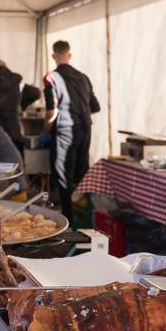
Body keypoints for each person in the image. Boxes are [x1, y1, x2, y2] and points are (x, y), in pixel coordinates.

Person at [44, 40, 101, 221]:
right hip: (85, 128)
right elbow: (95, 107)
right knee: (81, 173)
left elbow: (52, 111)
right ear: (69, 55)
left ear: (54, 56)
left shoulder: (51, 77)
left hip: (65, 131)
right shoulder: (83, 77)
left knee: (63, 176)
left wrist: (45, 130)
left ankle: (68, 219)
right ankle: (84, 218)